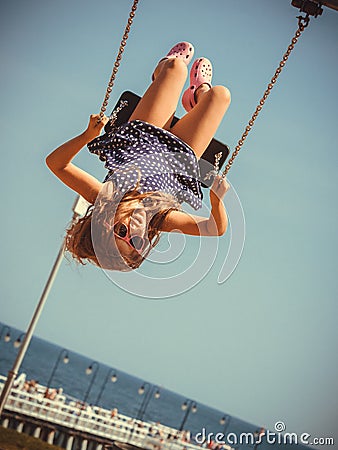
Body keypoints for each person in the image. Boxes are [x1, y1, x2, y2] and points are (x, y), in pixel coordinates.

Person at [46, 42, 231, 271]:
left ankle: (160, 72)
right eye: (136, 242)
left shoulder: (105, 197)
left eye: (122, 232)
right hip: (181, 153)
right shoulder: (160, 219)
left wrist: (88, 135)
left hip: (144, 137)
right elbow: (215, 229)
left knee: (176, 67)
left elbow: (56, 164)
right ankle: (197, 95)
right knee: (220, 95)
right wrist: (216, 200)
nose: (134, 231)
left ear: (105, 222)